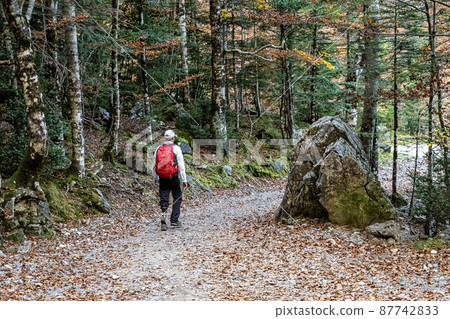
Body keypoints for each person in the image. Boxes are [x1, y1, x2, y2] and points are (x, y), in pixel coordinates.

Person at [153, 130, 188, 231]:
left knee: (164, 198)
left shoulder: (158, 148)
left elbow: (154, 165)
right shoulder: (176, 148)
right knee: (177, 196)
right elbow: (181, 165)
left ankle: (163, 218)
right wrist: (184, 180)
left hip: (162, 178)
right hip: (173, 176)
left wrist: (155, 178)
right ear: (173, 138)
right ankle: (174, 220)